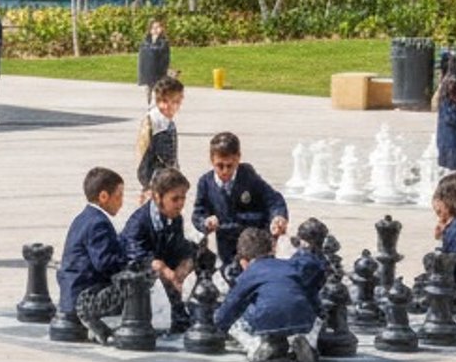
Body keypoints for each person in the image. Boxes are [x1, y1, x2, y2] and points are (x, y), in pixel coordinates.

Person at [214, 227, 321, 362]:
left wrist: (219, 324)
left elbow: (232, 304)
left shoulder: (250, 273)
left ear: (244, 261)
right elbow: (310, 293)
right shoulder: (289, 265)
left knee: (240, 317)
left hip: (267, 319)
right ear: (273, 250)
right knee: (301, 313)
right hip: (303, 319)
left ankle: (255, 345)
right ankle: (308, 342)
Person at [193, 132, 289, 268]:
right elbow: (198, 212)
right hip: (227, 246)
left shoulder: (248, 176)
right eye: (220, 166)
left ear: (238, 158)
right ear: (211, 160)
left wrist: (278, 217)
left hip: (255, 244)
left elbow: (273, 199)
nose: (225, 171)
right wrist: (205, 222)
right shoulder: (205, 183)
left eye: (230, 165)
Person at [57, 167, 130, 344]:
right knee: (137, 284)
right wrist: (130, 260)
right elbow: (106, 263)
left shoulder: (84, 217)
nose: (122, 202)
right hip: (84, 298)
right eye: (119, 196)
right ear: (104, 196)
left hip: (70, 295)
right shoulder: (98, 223)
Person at [120, 167, 196, 332]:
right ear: (157, 197)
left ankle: (182, 312)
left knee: (201, 254)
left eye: (183, 198)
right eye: (175, 199)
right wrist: (163, 269)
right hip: (134, 274)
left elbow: (178, 247)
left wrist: (186, 262)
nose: (181, 204)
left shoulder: (176, 218)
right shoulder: (138, 222)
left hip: (163, 265)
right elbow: (135, 254)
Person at [134, 73, 183, 193]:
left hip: (162, 181)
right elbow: (166, 159)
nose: (169, 106)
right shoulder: (159, 124)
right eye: (165, 101)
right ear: (157, 100)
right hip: (159, 183)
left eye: (175, 101)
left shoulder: (163, 120)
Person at [136, 18, 171, 104]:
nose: (155, 30)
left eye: (158, 27)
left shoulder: (163, 42)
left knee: (158, 89)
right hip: (148, 71)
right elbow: (143, 55)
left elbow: (163, 54)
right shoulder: (146, 41)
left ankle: (157, 104)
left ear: (162, 29)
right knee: (149, 89)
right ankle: (149, 104)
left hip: (159, 70)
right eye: (153, 28)